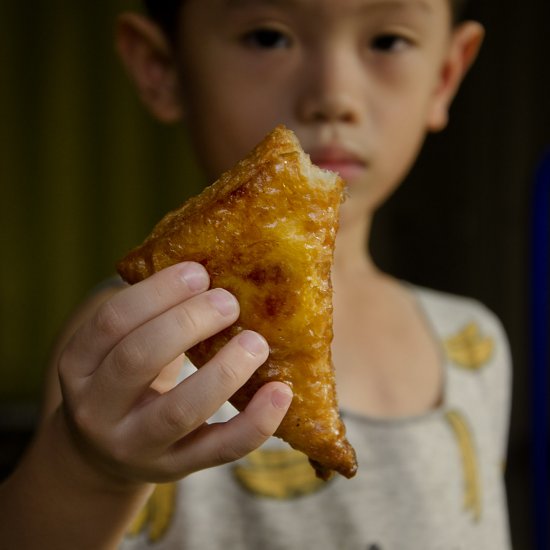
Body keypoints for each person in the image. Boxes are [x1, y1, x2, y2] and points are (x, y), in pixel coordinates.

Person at [0, 0, 512, 548]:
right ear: (160, 68)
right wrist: (89, 470)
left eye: (387, 41)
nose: (334, 96)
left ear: (445, 75)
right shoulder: (129, 349)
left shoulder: (474, 345)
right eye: (268, 37)